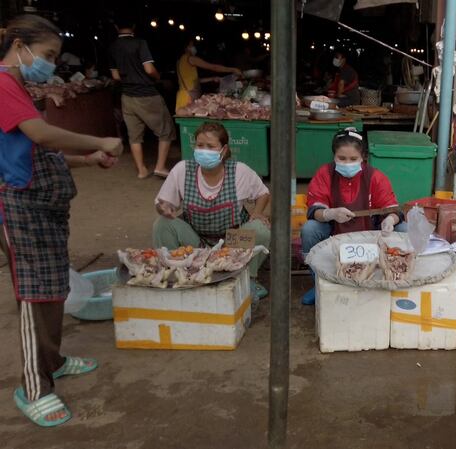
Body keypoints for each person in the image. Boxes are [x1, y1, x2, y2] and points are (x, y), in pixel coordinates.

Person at [0, 14, 123, 427]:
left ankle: (52, 360)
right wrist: (100, 140)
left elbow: (39, 153)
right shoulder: (1, 84)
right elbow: (41, 136)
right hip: (16, 205)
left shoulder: (18, 86)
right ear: (19, 45)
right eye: (48, 54)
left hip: (42, 204)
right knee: (34, 294)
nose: (51, 63)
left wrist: (86, 159)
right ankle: (35, 387)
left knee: (52, 288)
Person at [153, 122, 271, 300]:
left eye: (210, 146)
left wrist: (258, 212)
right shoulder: (182, 170)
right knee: (162, 224)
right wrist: (163, 208)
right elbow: (163, 203)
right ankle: (178, 274)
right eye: (200, 145)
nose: (204, 150)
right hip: (195, 242)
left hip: (232, 244)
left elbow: (263, 193)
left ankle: (248, 278)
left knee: (260, 229)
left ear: (223, 150)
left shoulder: (239, 171)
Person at [300, 128, 404, 305]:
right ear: (334, 156)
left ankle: (394, 279)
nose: (347, 163)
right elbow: (314, 209)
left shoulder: (375, 177)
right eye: (341, 158)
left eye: (353, 159)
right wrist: (329, 213)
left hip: (372, 236)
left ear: (363, 157)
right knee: (309, 229)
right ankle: (319, 282)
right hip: (333, 234)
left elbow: (393, 209)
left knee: (404, 229)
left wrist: (390, 220)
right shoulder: (325, 174)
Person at [108, 16, 175, 179]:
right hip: (147, 94)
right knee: (166, 130)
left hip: (127, 97)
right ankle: (160, 167)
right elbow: (149, 69)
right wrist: (158, 77)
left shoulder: (112, 47)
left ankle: (141, 170)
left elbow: (115, 76)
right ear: (134, 26)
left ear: (116, 27)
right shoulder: (140, 43)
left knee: (134, 136)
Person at [176, 39, 241, 110]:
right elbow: (213, 67)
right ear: (187, 47)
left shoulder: (180, 61)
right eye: (192, 45)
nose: (194, 47)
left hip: (182, 97)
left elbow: (196, 80)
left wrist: (212, 78)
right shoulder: (190, 59)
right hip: (188, 98)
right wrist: (233, 69)